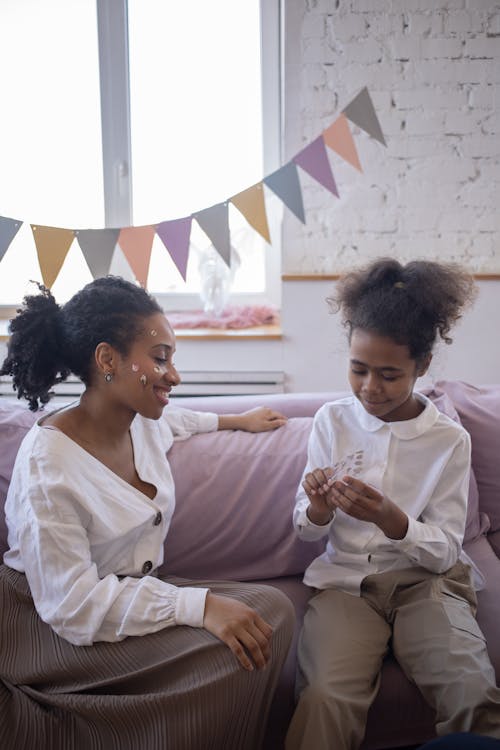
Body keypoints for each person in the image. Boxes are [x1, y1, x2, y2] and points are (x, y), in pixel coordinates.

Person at [0, 275, 295, 750]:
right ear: (107, 360)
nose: (174, 375)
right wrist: (196, 607)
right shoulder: (47, 464)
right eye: (160, 359)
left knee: (272, 613)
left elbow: (178, 420)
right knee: (232, 648)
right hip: (47, 621)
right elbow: (72, 607)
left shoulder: (140, 421)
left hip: (122, 597)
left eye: (172, 360)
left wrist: (234, 420)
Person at [285, 258, 500, 750]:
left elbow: (446, 550)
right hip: (346, 586)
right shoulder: (331, 422)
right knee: (323, 699)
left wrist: (393, 520)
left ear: (421, 367)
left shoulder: (448, 439)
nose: (369, 389)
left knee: (472, 693)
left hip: (426, 584)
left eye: (389, 375)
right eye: (358, 370)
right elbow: (307, 531)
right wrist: (318, 508)